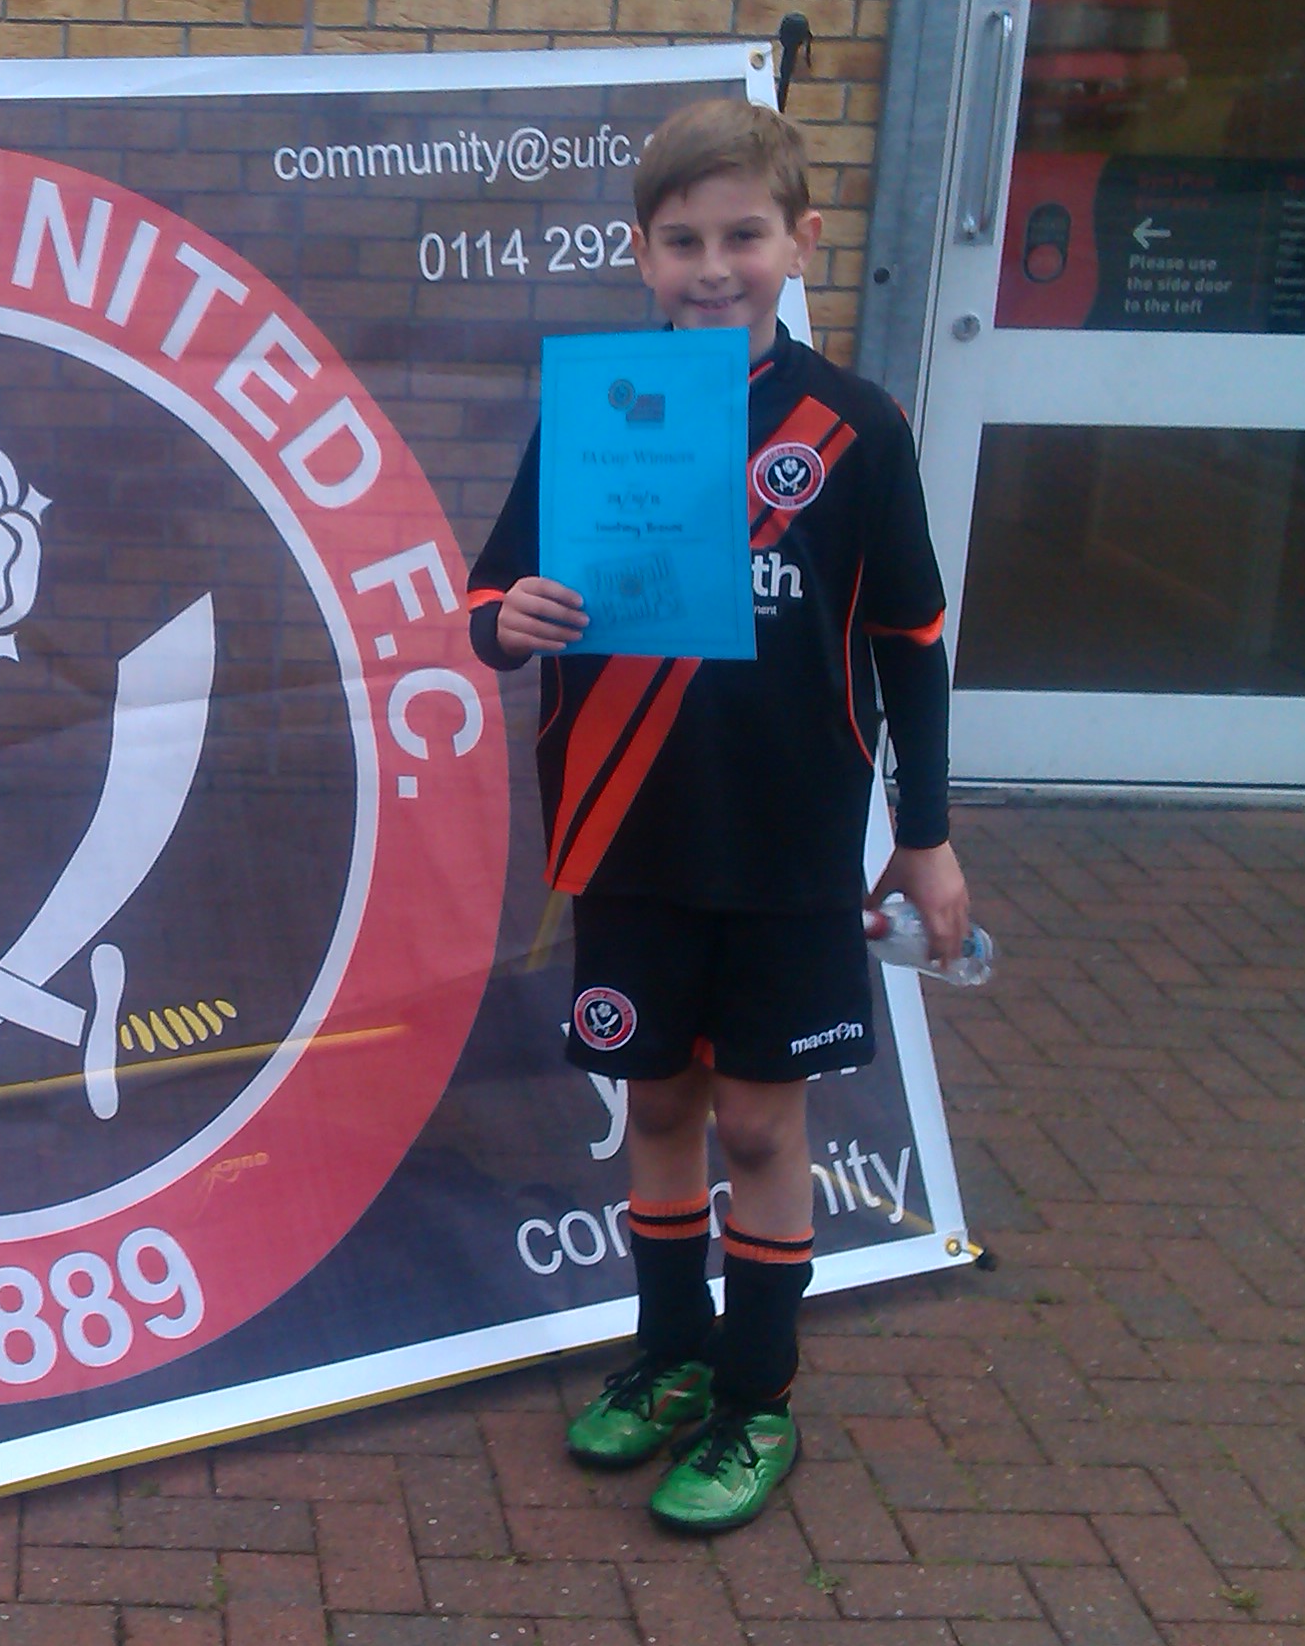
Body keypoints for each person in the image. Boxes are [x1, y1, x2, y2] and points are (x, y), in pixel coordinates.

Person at [465, 96, 969, 1534]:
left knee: (757, 1121)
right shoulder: (600, 408)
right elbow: (489, 595)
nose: (712, 266)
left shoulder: (856, 428)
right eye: (682, 240)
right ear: (642, 253)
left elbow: (912, 641)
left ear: (800, 242)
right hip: (628, 834)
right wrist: (509, 619)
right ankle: (671, 1357)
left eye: (743, 235)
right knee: (660, 1104)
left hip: (789, 847)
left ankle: (758, 1399)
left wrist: (925, 832)